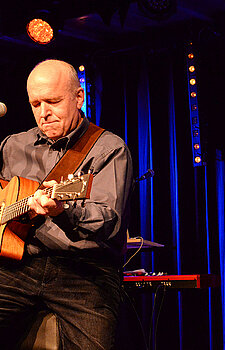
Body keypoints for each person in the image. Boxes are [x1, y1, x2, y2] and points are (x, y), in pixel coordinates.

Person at [0, 59, 133, 349]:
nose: (43, 113)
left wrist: (64, 210)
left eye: (53, 101)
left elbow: (108, 221)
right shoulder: (12, 146)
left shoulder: (108, 149)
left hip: (84, 272)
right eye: (35, 104)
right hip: (18, 265)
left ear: (78, 97)